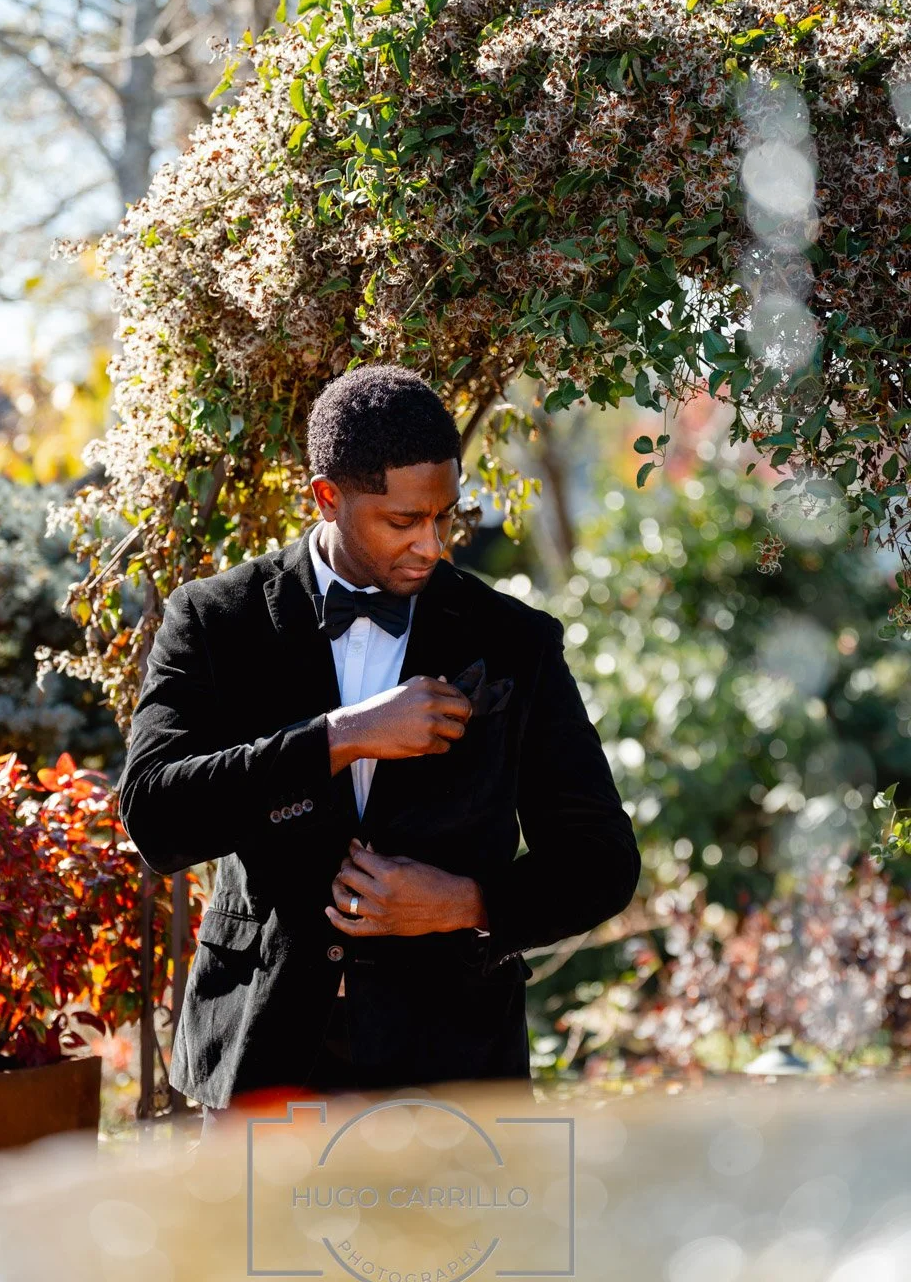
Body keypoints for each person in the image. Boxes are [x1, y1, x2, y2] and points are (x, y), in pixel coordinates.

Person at [117, 364, 641, 1126]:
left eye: (444, 517)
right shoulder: (214, 620)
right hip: (264, 1056)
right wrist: (343, 737)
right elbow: (155, 817)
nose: (430, 546)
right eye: (402, 522)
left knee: (454, 1254)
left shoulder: (515, 642)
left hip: (453, 1070)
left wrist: (466, 903)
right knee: (262, 1253)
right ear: (326, 496)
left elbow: (602, 862)